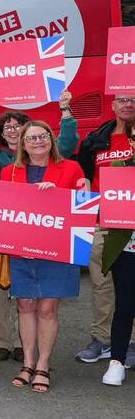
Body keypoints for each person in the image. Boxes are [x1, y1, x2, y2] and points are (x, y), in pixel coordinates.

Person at [0, 92, 77, 362]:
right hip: (7, 238)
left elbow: (69, 144)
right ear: (4, 134)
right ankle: (2, 341)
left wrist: (66, 111)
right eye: (8, 127)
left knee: (31, 301)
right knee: (0, 291)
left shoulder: (58, 162)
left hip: (46, 240)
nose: (13, 130)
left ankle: (20, 344)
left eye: (19, 126)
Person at [2, 121, 87, 393]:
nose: (38, 141)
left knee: (48, 309)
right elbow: (2, 208)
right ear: (23, 145)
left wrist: (69, 193)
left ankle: (43, 363)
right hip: (22, 248)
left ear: (51, 140)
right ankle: (27, 362)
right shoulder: (9, 172)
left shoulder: (72, 168)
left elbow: (83, 206)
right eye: (31, 138)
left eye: (43, 136)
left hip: (57, 249)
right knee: (25, 306)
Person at [74, 92, 135, 364]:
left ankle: (130, 342)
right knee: (101, 284)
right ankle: (102, 339)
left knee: (130, 287)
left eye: (134, 100)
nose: (128, 104)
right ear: (113, 105)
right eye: (122, 99)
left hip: (132, 225)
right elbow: (84, 177)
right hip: (102, 223)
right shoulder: (96, 140)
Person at [97, 127, 135, 386]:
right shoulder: (119, 167)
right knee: (125, 306)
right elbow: (108, 208)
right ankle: (117, 362)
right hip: (127, 249)